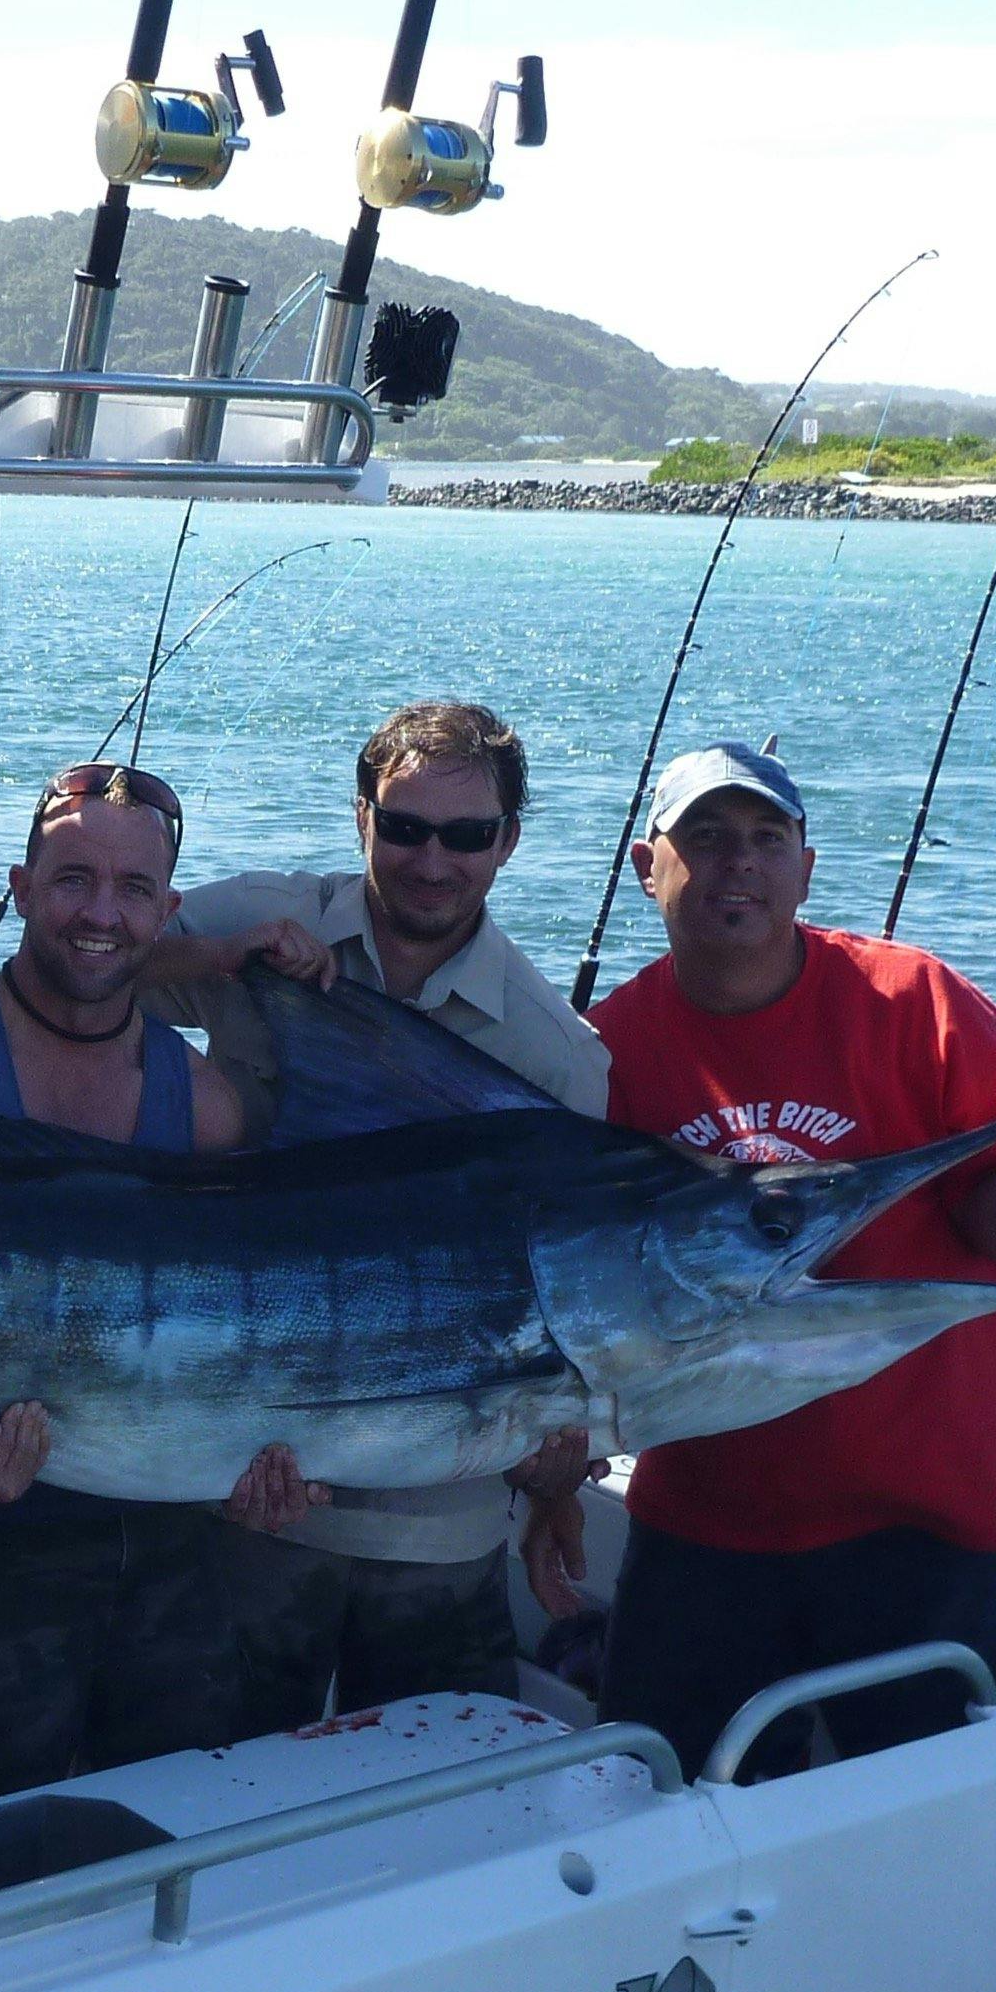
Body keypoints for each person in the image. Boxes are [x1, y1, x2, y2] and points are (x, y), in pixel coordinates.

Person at [582, 742, 996, 1769]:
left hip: (934, 1522)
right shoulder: (605, 1050)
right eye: (705, 838)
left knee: (939, 1820)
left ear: (806, 869)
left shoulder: (917, 1000)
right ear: (648, 868)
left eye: (766, 839)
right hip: (708, 1524)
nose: (739, 863)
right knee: (655, 1805)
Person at [0, 761, 321, 1819]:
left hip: (170, 1552)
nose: (100, 914)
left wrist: (263, 1472)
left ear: (167, 910)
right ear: (21, 890)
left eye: (132, 890)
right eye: (72, 880)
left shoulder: (203, 1107)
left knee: (165, 1843)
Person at [140, 699, 608, 1714]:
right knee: (209, 1785)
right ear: (361, 819)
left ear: (507, 843)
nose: (432, 861)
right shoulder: (263, 919)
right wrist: (218, 962)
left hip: (434, 1538)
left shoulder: (557, 1057)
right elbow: (78, 962)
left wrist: (558, 1485)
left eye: (466, 835)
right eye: (403, 827)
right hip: (234, 1498)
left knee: (434, 1795)